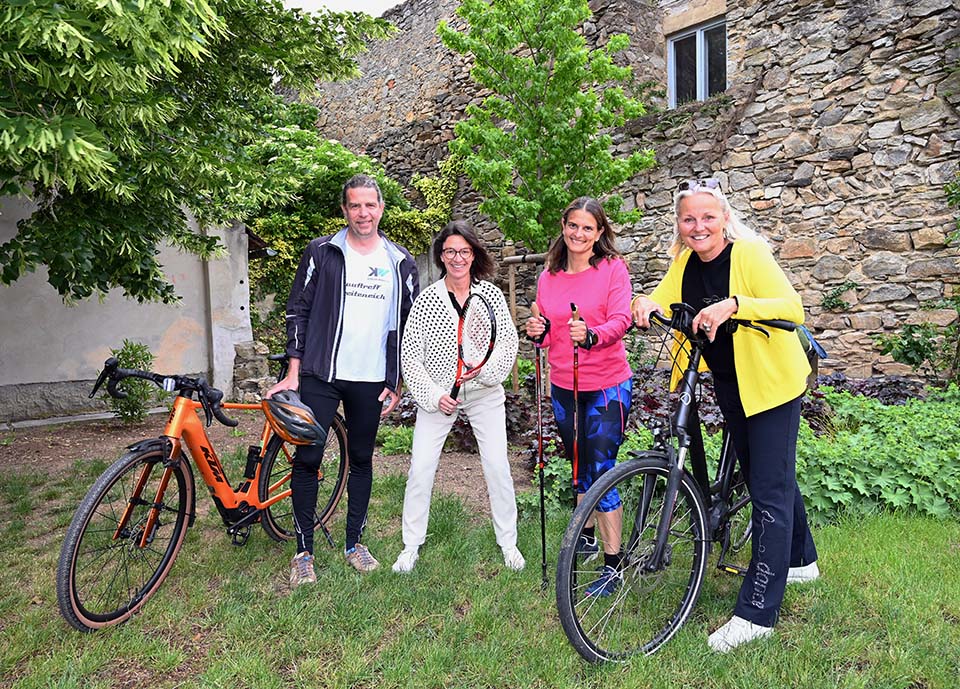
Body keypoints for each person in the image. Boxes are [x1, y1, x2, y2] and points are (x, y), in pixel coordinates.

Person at [631, 178, 819, 652]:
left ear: (724, 219)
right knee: (766, 473)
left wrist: (734, 305)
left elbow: (792, 307)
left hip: (772, 383)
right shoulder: (683, 263)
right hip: (731, 382)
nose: (699, 227)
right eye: (689, 219)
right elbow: (660, 295)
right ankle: (801, 561)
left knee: (767, 489)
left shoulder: (749, 254)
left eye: (707, 217)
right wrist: (644, 304)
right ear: (680, 225)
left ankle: (757, 613)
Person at [267, 173, 420, 586]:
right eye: (355, 205)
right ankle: (303, 552)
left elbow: (407, 326)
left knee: (362, 459)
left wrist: (396, 378)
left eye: (370, 205)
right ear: (344, 210)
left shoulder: (400, 262)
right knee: (309, 458)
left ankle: (355, 543)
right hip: (321, 373)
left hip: (370, 381)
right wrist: (295, 371)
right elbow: (297, 310)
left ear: (381, 208)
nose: (363, 213)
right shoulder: (322, 252)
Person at [394, 221, 523, 573]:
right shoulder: (427, 301)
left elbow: (507, 344)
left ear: (473, 254)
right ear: (441, 255)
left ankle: (508, 544)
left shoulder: (491, 295)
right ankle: (410, 547)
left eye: (464, 251)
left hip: (484, 394)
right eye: (450, 251)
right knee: (420, 468)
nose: (457, 258)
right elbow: (410, 358)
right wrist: (435, 396)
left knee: (498, 467)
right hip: (439, 398)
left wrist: (483, 372)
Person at [524, 197, 633, 598]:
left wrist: (591, 335)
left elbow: (621, 321)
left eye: (588, 228)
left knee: (603, 469)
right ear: (563, 227)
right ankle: (585, 536)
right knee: (578, 462)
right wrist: (538, 331)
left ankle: (613, 564)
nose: (579, 234)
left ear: (599, 233)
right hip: (564, 386)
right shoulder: (548, 277)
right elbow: (551, 333)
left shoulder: (612, 270)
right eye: (573, 226)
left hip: (607, 386)